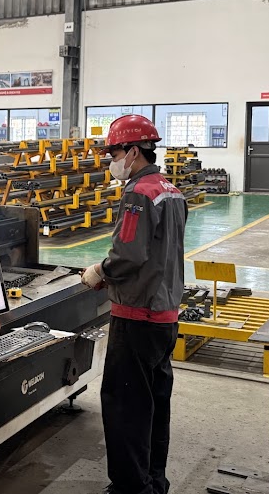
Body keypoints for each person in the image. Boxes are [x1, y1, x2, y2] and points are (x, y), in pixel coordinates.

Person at [80, 114, 188, 494]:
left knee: (126, 408)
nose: (113, 161)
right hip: (165, 316)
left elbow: (128, 254)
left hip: (137, 317)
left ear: (133, 151)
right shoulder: (172, 192)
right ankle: (153, 483)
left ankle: (130, 489)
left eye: (114, 154)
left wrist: (99, 271)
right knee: (154, 406)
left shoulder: (138, 194)